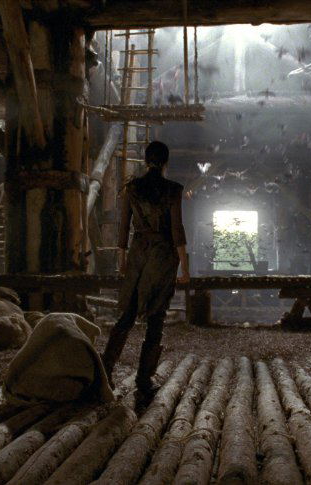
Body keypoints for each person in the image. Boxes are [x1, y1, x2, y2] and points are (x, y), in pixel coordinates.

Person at [101, 140, 190, 404]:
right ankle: (144, 379)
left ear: (144, 160)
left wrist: (122, 260)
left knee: (126, 316)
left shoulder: (132, 188)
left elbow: (123, 227)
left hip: (138, 255)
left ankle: (105, 371)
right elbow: (177, 231)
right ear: (166, 162)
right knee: (156, 318)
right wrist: (185, 267)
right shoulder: (173, 190)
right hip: (162, 256)